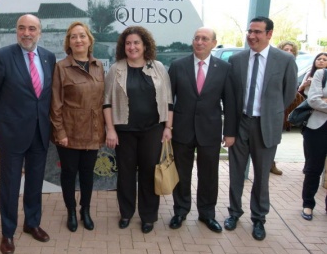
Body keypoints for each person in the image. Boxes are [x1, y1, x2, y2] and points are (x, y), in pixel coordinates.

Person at [0, 14, 56, 254]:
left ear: (39, 32)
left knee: (35, 182)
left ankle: (32, 223)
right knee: (10, 185)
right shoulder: (2, 56)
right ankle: (8, 232)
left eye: (32, 28)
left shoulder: (48, 57)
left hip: (40, 132)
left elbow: (46, 94)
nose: (26, 33)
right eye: (22, 28)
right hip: (12, 132)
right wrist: (6, 116)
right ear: (16, 31)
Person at [224, 16, 298, 241]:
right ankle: (234, 213)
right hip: (241, 123)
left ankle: (259, 219)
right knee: (236, 172)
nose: (251, 36)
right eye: (249, 31)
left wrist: (270, 113)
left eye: (257, 32)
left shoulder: (284, 59)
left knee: (261, 176)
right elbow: (232, 95)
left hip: (266, 125)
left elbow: (288, 94)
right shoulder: (236, 60)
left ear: (269, 34)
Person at [103, 26, 173, 234]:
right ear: (123, 47)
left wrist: (168, 127)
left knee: (149, 174)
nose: (132, 47)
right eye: (128, 43)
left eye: (136, 43)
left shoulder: (158, 67)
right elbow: (106, 102)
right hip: (124, 132)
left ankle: (148, 216)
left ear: (145, 46)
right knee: (125, 175)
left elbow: (169, 100)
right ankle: (126, 213)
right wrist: (110, 130)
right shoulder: (116, 69)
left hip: (153, 130)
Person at [167, 27, 236, 233]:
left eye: (205, 39)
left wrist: (230, 132)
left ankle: (207, 214)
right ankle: (180, 211)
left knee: (209, 175)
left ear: (214, 43)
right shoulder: (178, 66)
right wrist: (167, 127)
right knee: (181, 174)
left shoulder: (224, 68)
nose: (199, 42)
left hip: (210, 130)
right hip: (182, 129)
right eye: (196, 38)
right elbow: (168, 100)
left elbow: (230, 102)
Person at [50, 22, 105, 232]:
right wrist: (60, 132)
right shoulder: (61, 67)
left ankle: (86, 210)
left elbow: (102, 100)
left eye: (82, 36)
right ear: (68, 42)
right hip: (70, 134)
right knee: (69, 174)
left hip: (93, 131)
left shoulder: (98, 66)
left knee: (88, 175)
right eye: (73, 37)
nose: (78, 40)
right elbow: (56, 104)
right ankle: (71, 211)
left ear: (89, 40)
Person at [300, 67, 327, 221]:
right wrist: (321, 100)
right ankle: (308, 204)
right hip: (317, 128)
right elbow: (314, 100)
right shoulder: (322, 74)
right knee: (313, 169)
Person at [272, 40, 302, 175]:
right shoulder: (274, 64)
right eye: (286, 49)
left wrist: (281, 106)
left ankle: (270, 163)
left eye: (291, 50)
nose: (289, 52)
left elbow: (291, 89)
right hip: (273, 107)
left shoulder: (292, 65)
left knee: (276, 137)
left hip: (282, 108)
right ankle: (269, 162)